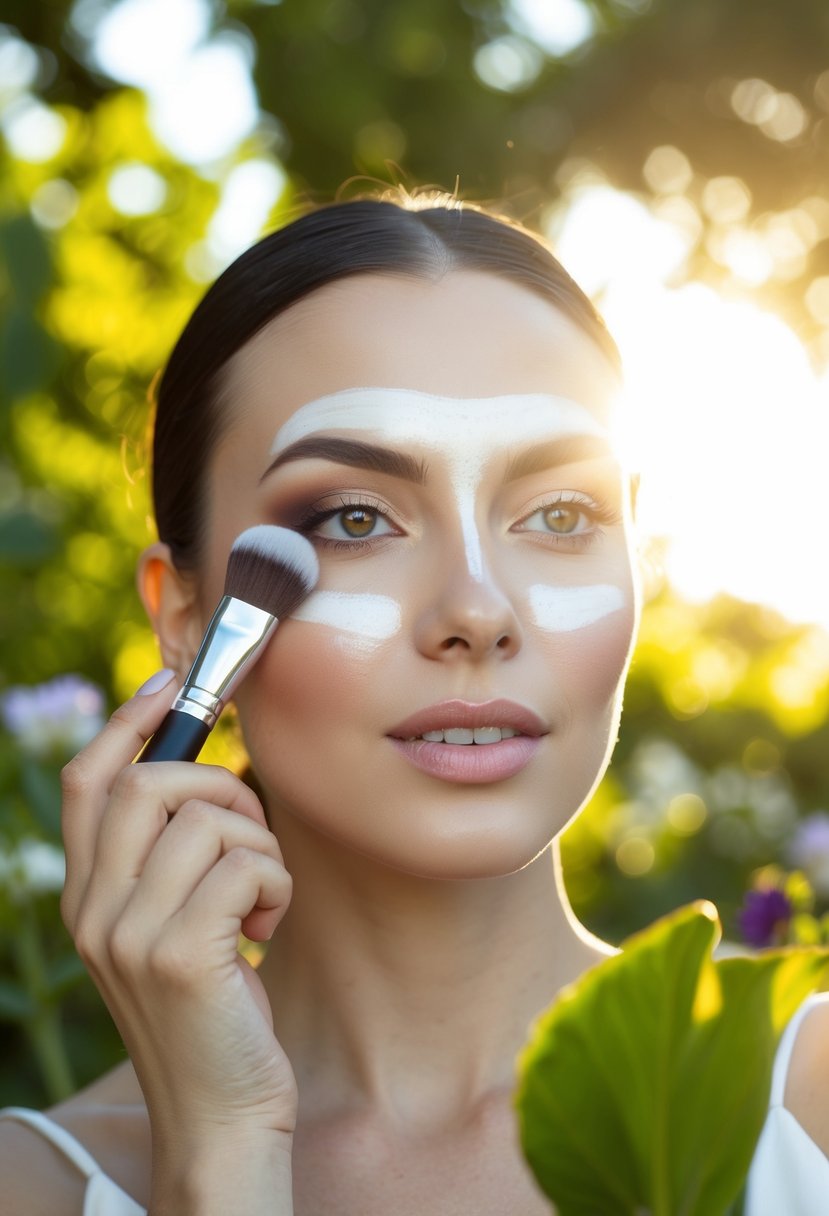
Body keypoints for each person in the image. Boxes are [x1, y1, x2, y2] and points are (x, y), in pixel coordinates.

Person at [0, 193, 827, 1215]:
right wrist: (217, 1156)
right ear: (185, 614)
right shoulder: (31, 1186)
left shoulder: (807, 1107)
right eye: (356, 518)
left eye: (560, 513)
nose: (477, 611)